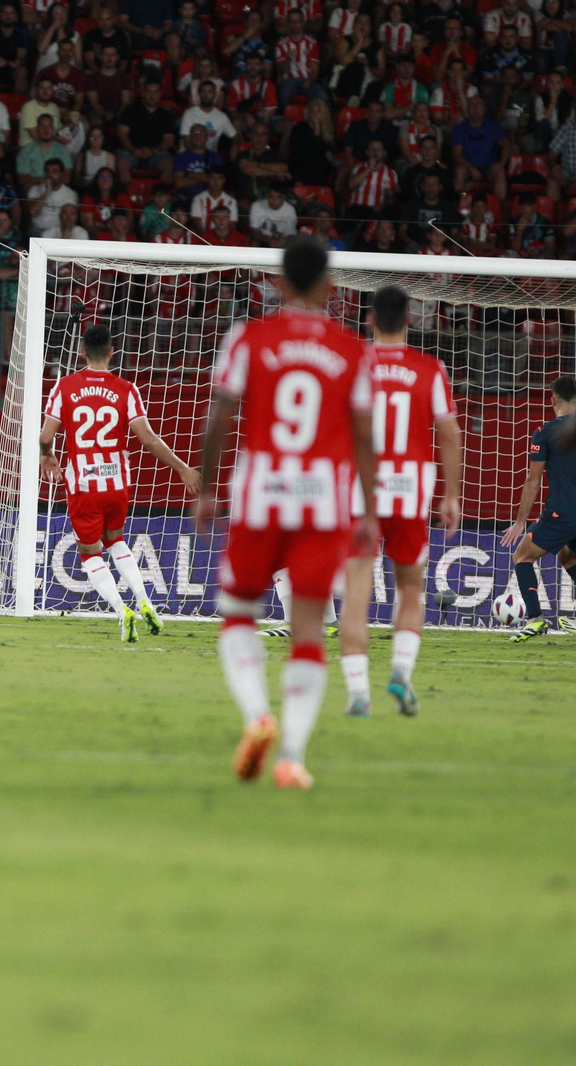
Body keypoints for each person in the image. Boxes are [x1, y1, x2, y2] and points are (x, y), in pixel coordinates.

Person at [195, 237, 378, 790]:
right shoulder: (351, 349)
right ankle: (292, 757)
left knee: (237, 613)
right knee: (306, 629)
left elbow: (220, 416)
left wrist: (206, 487)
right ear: (329, 286)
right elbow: (366, 436)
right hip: (324, 501)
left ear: (278, 281)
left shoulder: (249, 337)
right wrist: (368, 509)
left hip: (260, 495)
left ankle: (257, 717)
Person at [338, 285, 463, 716]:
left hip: (360, 491)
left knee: (356, 590)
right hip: (410, 491)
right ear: (410, 320)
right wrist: (452, 495)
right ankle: (401, 672)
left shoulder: (353, 364)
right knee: (410, 587)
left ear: (370, 320)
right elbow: (449, 433)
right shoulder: (429, 369)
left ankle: (357, 692)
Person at [38, 323, 199, 640]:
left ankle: (120, 609)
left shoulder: (65, 388)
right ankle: (145, 602)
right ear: (112, 352)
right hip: (116, 483)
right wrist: (182, 468)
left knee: (90, 553)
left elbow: (45, 436)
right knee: (116, 540)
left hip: (84, 483)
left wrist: (47, 455)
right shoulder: (126, 389)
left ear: (82, 352)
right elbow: (149, 439)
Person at [502, 375, 576, 641]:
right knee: (570, 557)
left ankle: (535, 620)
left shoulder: (545, 432)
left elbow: (533, 479)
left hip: (564, 510)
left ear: (552, 400)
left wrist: (520, 521)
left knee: (522, 557)